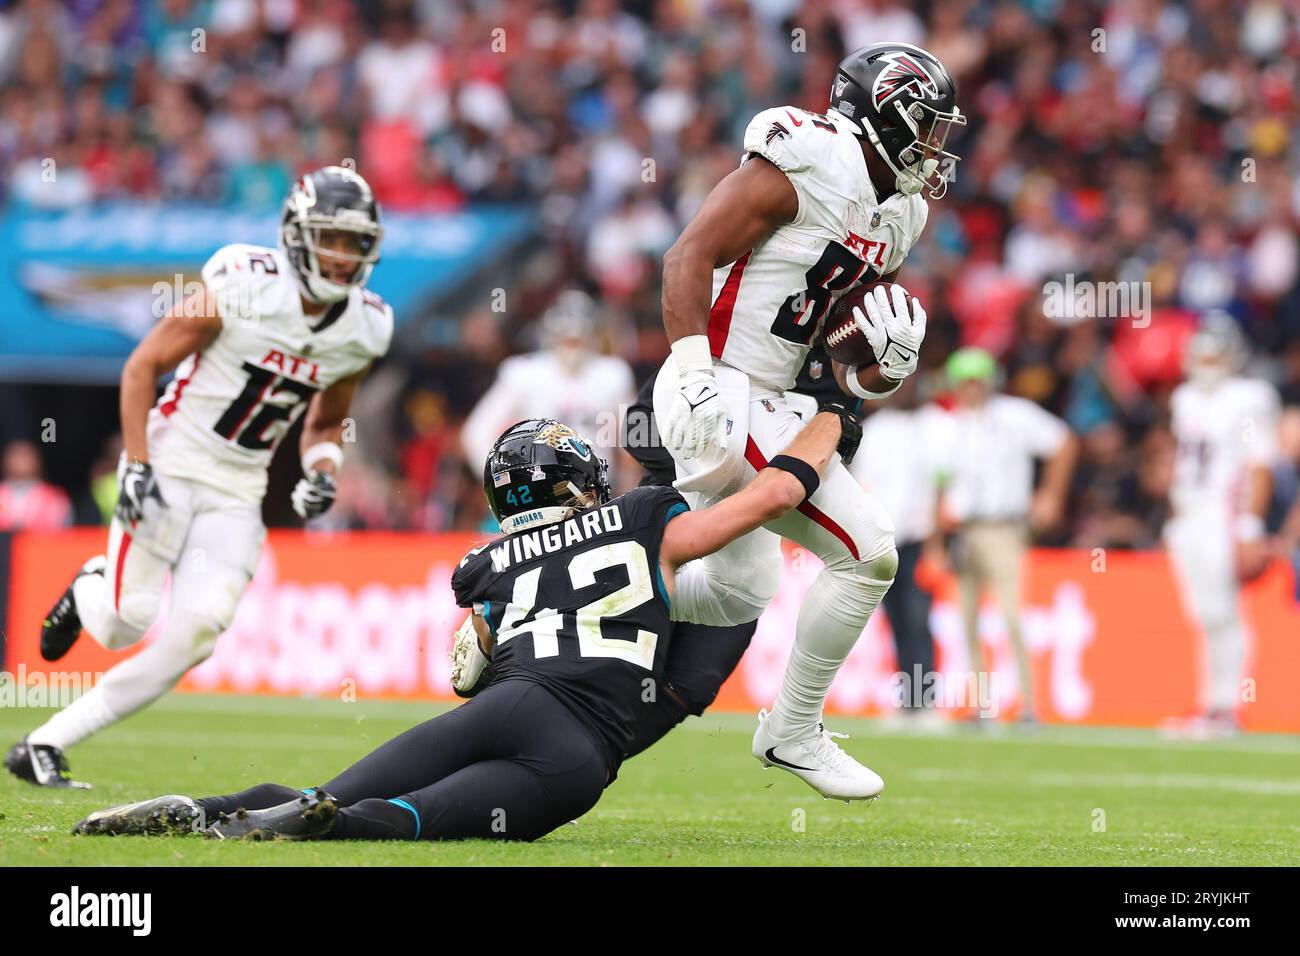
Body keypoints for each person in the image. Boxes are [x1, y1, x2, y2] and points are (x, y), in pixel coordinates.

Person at [74, 409, 857, 842]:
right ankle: (291, 827)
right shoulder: (642, 518)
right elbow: (764, 503)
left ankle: (207, 811)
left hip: (503, 704)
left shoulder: (486, 562)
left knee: (330, 794)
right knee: (402, 823)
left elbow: (465, 675)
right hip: (578, 744)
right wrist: (831, 417)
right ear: (582, 478)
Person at [5, 167, 393, 789]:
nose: (342, 257)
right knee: (121, 623)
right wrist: (136, 465)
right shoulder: (244, 283)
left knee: (197, 632)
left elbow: (326, 423)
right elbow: (142, 365)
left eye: (353, 242)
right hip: (174, 456)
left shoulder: (365, 325)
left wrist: (325, 468)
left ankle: (46, 742)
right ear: (295, 234)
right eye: (329, 238)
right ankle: (88, 590)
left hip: (241, 485)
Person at [650, 43, 963, 797]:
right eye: (926, 126)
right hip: (718, 383)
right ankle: (792, 732)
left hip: (778, 401)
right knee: (871, 552)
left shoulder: (905, 211)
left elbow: (836, 351)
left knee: (738, 590)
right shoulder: (812, 155)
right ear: (883, 114)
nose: (935, 148)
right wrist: (693, 371)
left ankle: (564, 589)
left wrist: (882, 366)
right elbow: (687, 255)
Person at [940, 347, 1077, 723]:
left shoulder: (1015, 415)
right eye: (964, 382)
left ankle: (1030, 703)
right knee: (966, 618)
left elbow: (1063, 443)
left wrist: (1050, 494)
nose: (971, 389)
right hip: (963, 529)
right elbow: (939, 482)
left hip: (1003, 527)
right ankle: (981, 704)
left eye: (976, 382)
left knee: (1012, 614)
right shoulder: (949, 424)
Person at [1164, 313, 1280, 737]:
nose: (1207, 362)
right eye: (1202, 354)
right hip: (1190, 516)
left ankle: (1227, 708)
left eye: (1216, 355)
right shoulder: (1185, 398)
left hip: (1222, 516)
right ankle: (1210, 705)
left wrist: (1250, 524)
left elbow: (1258, 464)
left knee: (1223, 613)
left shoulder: (1248, 397)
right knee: (1203, 615)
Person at [848, 375, 952, 720]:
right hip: (881, 541)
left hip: (921, 539)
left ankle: (924, 701)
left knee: (917, 618)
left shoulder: (939, 424)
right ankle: (909, 699)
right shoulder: (874, 430)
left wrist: (939, 541)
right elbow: (861, 487)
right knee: (894, 620)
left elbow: (947, 482)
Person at [460, 289, 635, 477]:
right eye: (567, 340)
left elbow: (637, 438)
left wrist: (630, 483)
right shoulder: (524, 373)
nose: (573, 347)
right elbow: (477, 433)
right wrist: (505, 479)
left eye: (577, 341)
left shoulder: (613, 373)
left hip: (600, 489)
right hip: (542, 490)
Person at [0, 440, 72, 531]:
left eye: (26, 455)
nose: (21, 460)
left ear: (38, 461)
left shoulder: (55, 497)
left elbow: (65, 533)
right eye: (16, 455)